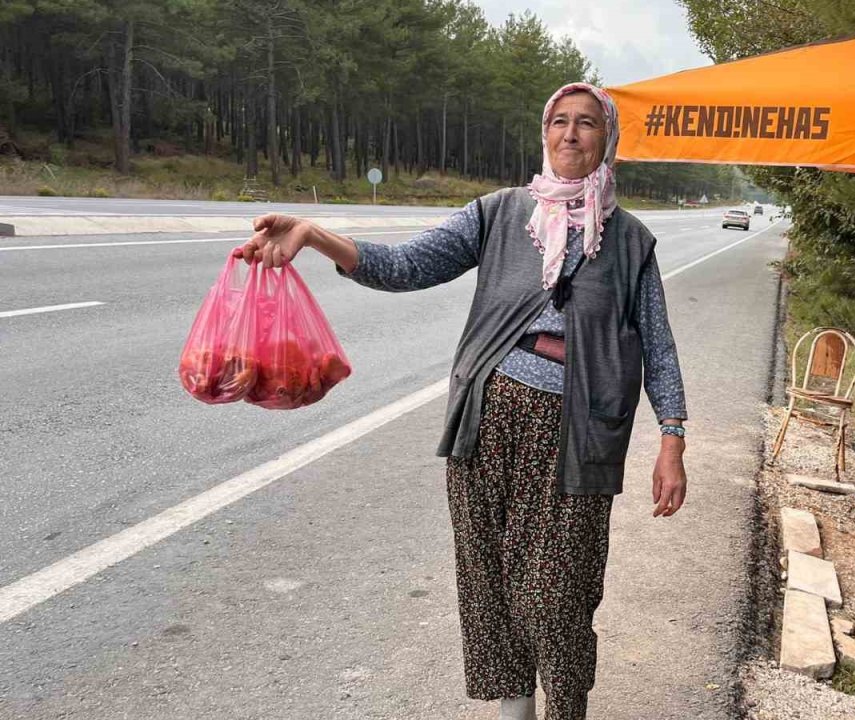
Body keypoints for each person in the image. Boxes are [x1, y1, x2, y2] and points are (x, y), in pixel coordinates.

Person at [236, 82, 688, 720]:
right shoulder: (500, 213)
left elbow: (660, 348)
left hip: (578, 436)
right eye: (559, 121)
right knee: (491, 587)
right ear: (543, 132)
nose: (570, 134)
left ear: (606, 140)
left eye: (586, 124)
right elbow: (405, 266)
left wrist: (672, 440)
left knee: (556, 597)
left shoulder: (632, 242)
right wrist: (312, 235)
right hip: (486, 424)